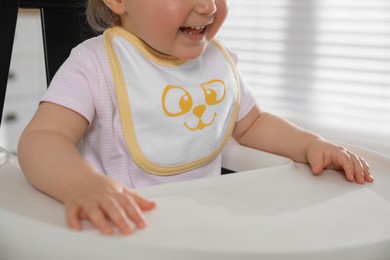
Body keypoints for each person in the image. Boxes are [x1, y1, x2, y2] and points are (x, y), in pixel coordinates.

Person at [18, 0, 374, 236]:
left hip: (203, 224)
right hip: (124, 229)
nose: (207, 6)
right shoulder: (95, 64)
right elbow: (44, 138)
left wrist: (311, 144)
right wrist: (79, 185)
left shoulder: (219, 62)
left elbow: (251, 123)